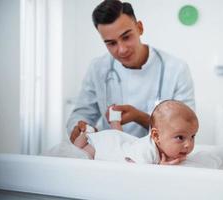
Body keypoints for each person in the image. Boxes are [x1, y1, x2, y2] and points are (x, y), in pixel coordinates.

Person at [67, 0, 195, 143]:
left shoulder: (176, 69)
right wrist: (80, 127)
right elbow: (82, 113)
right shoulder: (98, 67)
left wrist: (140, 117)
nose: (122, 50)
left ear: (139, 28)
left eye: (126, 37)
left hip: (160, 160)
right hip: (112, 155)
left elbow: (187, 127)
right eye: (111, 43)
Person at [73, 100, 199, 165]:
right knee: (81, 153)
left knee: (120, 137)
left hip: (123, 141)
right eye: (180, 137)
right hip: (106, 147)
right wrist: (160, 168)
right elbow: (136, 172)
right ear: (156, 136)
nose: (189, 144)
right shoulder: (147, 151)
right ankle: (87, 133)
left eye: (192, 136)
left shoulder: (167, 147)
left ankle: (112, 122)